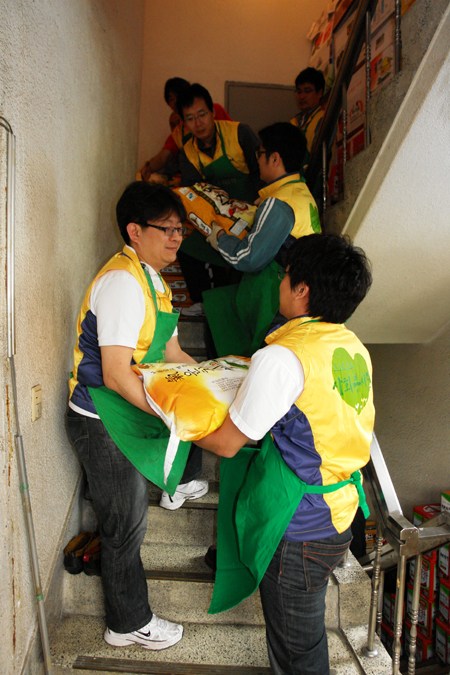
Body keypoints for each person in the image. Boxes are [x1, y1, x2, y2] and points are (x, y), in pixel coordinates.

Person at [196, 233, 374, 675]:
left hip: (301, 526)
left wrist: (172, 417)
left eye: (285, 275)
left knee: (297, 653)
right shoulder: (351, 346)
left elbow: (227, 443)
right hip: (341, 509)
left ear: (302, 290)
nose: (279, 282)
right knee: (303, 640)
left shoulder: (283, 357)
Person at [66, 182, 208, 650]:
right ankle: (126, 623)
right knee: (125, 524)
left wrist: (214, 380)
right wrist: (168, 414)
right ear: (134, 230)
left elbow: (173, 352)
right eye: (166, 229)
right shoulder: (123, 283)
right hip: (101, 418)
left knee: (129, 517)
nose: (176, 238)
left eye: (180, 229)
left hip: (123, 413)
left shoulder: (154, 281)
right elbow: (114, 374)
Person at [202, 122, 321, 356]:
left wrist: (219, 237)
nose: (256, 159)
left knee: (219, 311)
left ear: (274, 158)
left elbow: (248, 258)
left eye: (260, 153)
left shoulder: (279, 202)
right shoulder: (301, 192)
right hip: (300, 295)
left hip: (278, 301)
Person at [178, 83, 261, 204]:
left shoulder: (240, 133)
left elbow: (261, 172)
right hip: (217, 213)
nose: (198, 123)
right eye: (190, 118)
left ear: (213, 112)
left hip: (253, 206)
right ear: (184, 123)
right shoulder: (187, 153)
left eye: (202, 115)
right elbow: (192, 194)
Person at [140, 78, 231, 180]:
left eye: (202, 115)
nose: (175, 101)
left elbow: (234, 137)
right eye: (171, 99)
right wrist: (148, 168)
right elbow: (163, 157)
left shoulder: (216, 110)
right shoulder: (178, 132)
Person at [290, 67, 325, 167]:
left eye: (307, 91)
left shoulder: (323, 119)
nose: (302, 96)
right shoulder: (294, 122)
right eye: (299, 91)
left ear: (319, 93)